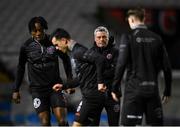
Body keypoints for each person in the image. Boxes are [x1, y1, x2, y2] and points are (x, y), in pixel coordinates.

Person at [111, 8, 172, 126]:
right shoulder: (157, 38)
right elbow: (167, 67)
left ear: (132, 19)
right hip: (153, 91)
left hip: (133, 91)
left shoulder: (128, 37)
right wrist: (167, 90)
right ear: (143, 19)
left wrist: (115, 88)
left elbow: (121, 63)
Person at [12, 16, 72, 126]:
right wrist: (16, 89)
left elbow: (66, 60)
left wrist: (69, 82)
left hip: (55, 88)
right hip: (38, 90)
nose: (38, 33)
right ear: (31, 32)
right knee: (45, 123)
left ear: (45, 28)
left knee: (62, 121)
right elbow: (20, 67)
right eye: (35, 31)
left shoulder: (54, 43)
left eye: (40, 30)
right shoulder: (26, 47)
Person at [50, 28, 108, 126]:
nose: (56, 48)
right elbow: (81, 77)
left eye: (56, 44)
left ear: (64, 40)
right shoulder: (74, 53)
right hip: (93, 96)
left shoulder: (78, 51)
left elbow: (100, 59)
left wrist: (100, 82)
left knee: (76, 125)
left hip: (91, 98)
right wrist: (64, 86)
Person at [90, 26, 120, 126]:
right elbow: (88, 73)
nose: (101, 39)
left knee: (114, 124)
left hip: (113, 94)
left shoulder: (116, 52)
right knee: (93, 124)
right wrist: (108, 67)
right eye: (99, 37)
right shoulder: (90, 52)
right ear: (95, 38)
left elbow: (117, 71)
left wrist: (98, 72)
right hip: (95, 94)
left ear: (107, 37)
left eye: (104, 37)